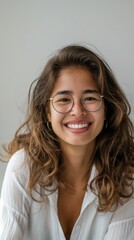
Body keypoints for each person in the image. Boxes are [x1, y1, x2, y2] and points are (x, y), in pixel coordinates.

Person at [0, 44, 134, 240]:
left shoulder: (127, 177)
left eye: (89, 98)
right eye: (64, 100)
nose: (77, 111)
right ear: (47, 111)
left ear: (107, 108)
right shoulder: (23, 168)